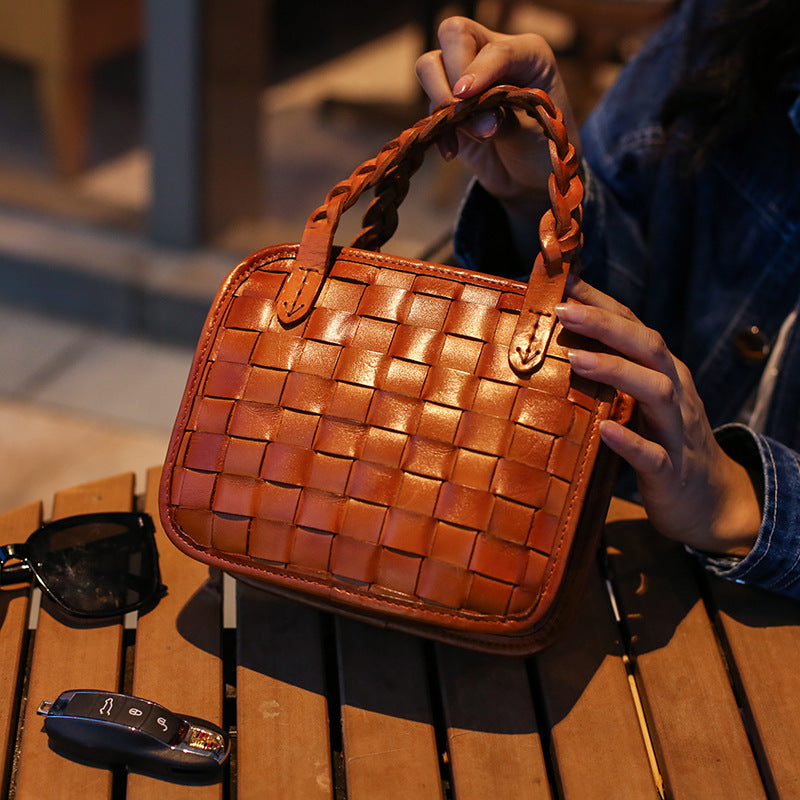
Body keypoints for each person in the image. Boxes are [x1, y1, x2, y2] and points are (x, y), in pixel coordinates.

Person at [415, 0, 800, 599]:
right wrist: (538, 199)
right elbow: (620, 291)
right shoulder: (732, 21)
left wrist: (740, 498)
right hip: (575, 542)